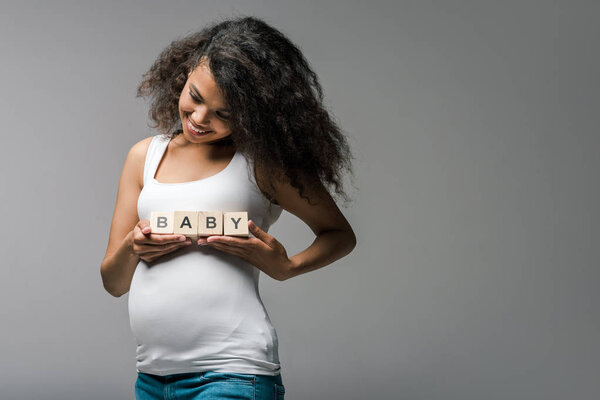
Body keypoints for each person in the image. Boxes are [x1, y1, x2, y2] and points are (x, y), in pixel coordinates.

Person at [100, 16, 356, 400]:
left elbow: (339, 234)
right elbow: (114, 282)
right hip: (152, 378)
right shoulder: (144, 158)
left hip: (234, 373)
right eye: (196, 97)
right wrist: (134, 247)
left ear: (255, 114)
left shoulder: (261, 164)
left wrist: (287, 268)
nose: (201, 119)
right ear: (185, 75)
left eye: (225, 114)